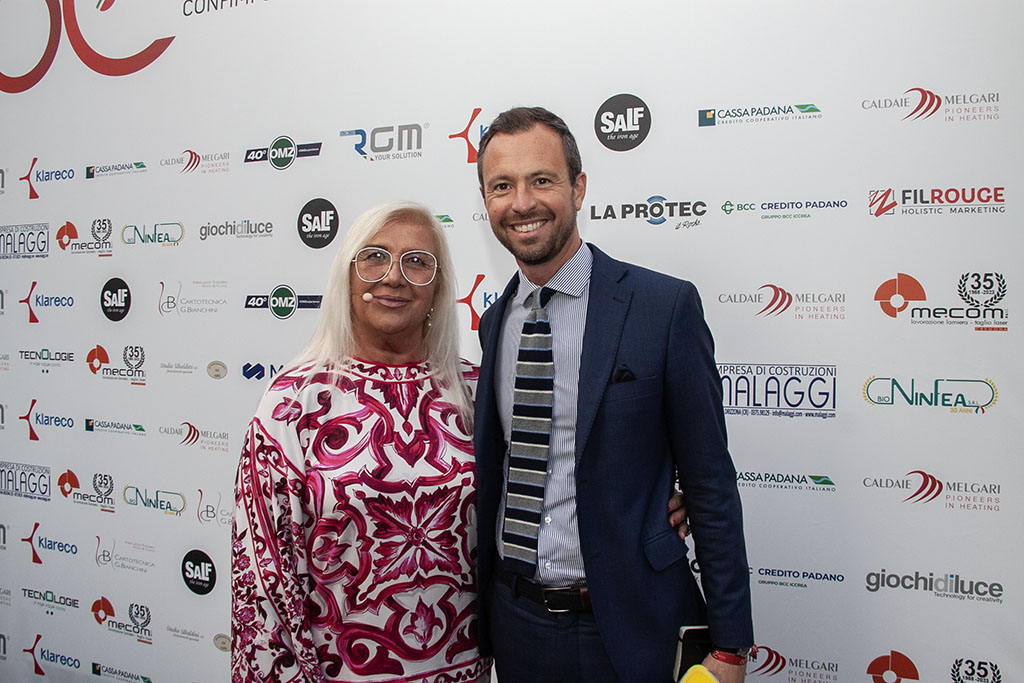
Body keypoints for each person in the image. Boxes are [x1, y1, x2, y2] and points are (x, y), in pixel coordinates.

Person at [473, 107, 754, 683]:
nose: (521, 202)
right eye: (502, 186)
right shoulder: (495, 322)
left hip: (633, 624)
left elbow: (709, 482)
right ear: (486, 201)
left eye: (541, 180)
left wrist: (730, 647)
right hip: (516, 621)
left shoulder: (662, 308)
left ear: (578, 187)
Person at [231, 202, 488, 683]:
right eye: (374, 257)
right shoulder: (294, 402)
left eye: (417, 262)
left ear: (438, 288)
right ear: (346, 277)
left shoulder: (475, 390)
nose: (393, 277)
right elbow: (264, 580)